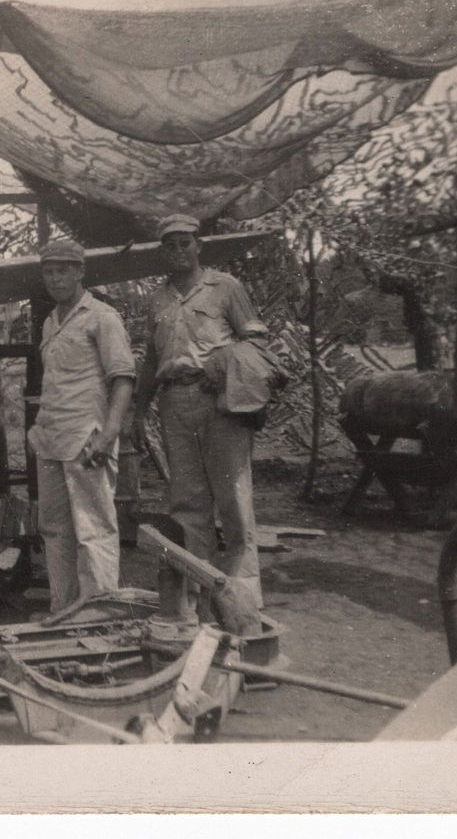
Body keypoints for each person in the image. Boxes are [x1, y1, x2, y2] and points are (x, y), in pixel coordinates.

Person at [130, 213, 269, 639]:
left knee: (233, 502)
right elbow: (152, 361)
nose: (177, 251)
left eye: (184, 242)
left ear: (198, 245)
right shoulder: (156, 299)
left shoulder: (225, 287)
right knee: (188, 506)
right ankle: (203, 607)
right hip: (174, 402)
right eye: (169, 244)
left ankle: (243, 610)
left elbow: (256, 339)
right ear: (162, 251)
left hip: (221, 401)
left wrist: (223, 364)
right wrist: (139, 411)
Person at [27, 239, 137, 613]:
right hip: (51, 439)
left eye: (63, 271)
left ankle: (100, 615)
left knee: (93, 529)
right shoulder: (49, 323)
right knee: (55, 530)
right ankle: (64, 611)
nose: (55, 279)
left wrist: (109, 433)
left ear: (79, 272)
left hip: (87, 438)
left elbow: (122, 378)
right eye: (48, 272)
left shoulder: (101, 316)